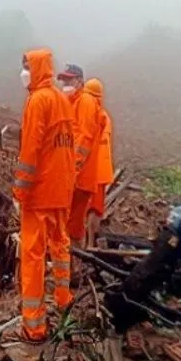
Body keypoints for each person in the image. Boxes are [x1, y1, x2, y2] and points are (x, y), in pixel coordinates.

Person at [11, 49, 75, 343]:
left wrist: (19, 191)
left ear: (36, 68)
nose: (24, 73)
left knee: (33, 256)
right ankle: (63, 300)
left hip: (39, 193)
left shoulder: (38, 100)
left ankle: (34, 327)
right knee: (60, 247)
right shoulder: (61, 99)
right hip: (61, 190)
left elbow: (31, 150)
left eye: (27, 67)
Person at [57, 64, 105, 253]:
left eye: (69, 79)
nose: (65, 83)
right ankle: (71, 261)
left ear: (79, 81)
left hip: (79, 176)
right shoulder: (73, 102)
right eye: (63, 80)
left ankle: (71, 262)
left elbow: (84, 138)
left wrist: (72, 169)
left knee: (71, 225)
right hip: (76, 175)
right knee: (70, 224)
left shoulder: (85, 102)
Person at [84, 78, 114, 247]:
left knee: (90, 209)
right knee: (93, 209)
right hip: (101, 171)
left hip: (92, 169)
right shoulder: (104, 116)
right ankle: (88, 245)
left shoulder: (95, 116)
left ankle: (88, 246)